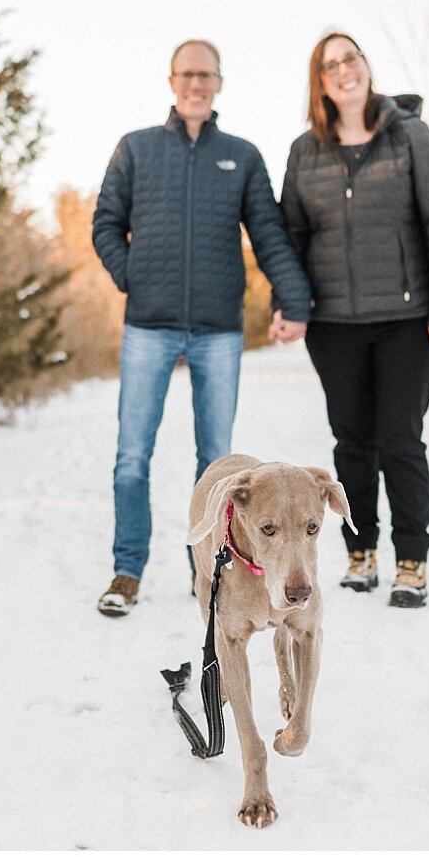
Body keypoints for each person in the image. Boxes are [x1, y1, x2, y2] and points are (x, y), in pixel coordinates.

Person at [91, 39, 312, 618]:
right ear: (171, 81)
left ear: (219, 83)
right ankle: (126, 570)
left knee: (217, 462)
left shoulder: (241, 155)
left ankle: (214, 574)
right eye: (187, 74)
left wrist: (292, 298)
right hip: (149, 326)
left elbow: (268, 234)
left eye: (206, 75)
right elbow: (106, 224)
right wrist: (131, 275)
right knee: (132, 456)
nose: (196, 84)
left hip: (218, 329)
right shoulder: (135, 150)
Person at [274, 32, 429, 608]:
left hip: (408, 319)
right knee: (352, 442)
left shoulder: (409, 135)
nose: (343, 70)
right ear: (320, 81)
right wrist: (290, 306)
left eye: (350, 58)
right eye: (330, 65)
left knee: (399, 438)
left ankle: (412, 561)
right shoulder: (305, 151)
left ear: (365, 66)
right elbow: (292, 238)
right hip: (335, 325)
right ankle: (361, 552)